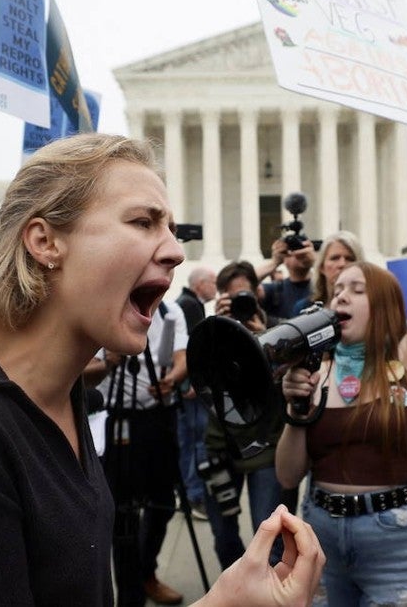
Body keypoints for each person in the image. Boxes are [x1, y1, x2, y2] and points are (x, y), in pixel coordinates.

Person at [0, 0, 324, 607]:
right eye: (144, 222)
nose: (175, 251)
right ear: (44, 240)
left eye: (170, 228)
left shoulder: (59, 398)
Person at [277, 105, 407, 606]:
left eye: (357, 289)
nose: (340, 295)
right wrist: (296, 412)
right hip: (319, 537)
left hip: (398, 543)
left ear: (385, 303)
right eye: (337, 287)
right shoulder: (316, 371)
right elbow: (286, 475)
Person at [96, 297, 189, 606]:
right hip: (117, 420)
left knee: (163, 500)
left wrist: (173, 378)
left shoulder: (169, 310)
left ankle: (146, 573)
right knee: (123, 512)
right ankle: (130, 594)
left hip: (159, 416)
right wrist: (110, 361)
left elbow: (182, 355)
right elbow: (78, 372)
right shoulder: (104, 307)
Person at [201, 260, 287, 570]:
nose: (240, 303)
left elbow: (290, 380)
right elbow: (199, 383)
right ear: (221, 297)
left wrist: (265, 340)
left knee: (269, 537)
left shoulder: (277, 329)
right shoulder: (212, 332)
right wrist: (218, 331)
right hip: (220, 448)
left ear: (257, 293)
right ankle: (238, 587)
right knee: (224, 536)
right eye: (232, 297)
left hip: (265, 445)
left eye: (244, 296)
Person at [175, 266, 217, 518]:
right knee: (197, 440)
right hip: (192, 386)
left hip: (188, 384)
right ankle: (194, 496)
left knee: (189, 441)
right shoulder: (191, 305)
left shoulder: (186, 303)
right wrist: (194, 380)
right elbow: (192, 346)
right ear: (200, 284)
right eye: (212, 281)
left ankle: (189, 493)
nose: (215, 286)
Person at [296, 231, 364, 316]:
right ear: (321, 267)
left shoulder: (370, 307)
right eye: (335, 258)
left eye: (350, 259)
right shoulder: (305, 308)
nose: (342, 264)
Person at [257, 236, 316, 319]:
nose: (298, 253)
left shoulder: (322, 286)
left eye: (301, 248)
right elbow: (244, 284)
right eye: (293, 249)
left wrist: (316, 263)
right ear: (284, 258)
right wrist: (274, 262)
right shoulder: (276, 290)